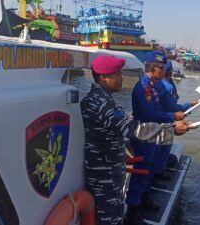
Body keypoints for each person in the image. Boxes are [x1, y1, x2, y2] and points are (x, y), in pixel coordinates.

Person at [80, 55, 190, 225]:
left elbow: (125, 124)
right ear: (103, 78)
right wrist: (172, 129)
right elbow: (134, 128)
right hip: (104, 173)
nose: (121, 78)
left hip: (110, 168)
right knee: (108, 218)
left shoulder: (104, 99)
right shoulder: (100, 103)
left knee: (114, 212)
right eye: (117, 75)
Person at [124, 51, 189, 225]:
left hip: (152, 134)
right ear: (152, 68)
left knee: (149, 170)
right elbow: (148, 113)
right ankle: (132, 212)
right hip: (144, 135)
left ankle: (143, 199)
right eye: (161, 68)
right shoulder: (142, 88)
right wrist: (173, 117)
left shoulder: (153, 87)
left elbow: (158, 110)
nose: (164, 70)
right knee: (141, 172)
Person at [153, 61, 198, 181]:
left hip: (160, 120)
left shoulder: (159, 84)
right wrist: (188, 105)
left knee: (158, 148)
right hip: (166, 120)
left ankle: (157, 170)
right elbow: (172, 107)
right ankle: (158, 172)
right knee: (164, 148)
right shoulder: (166, 86)